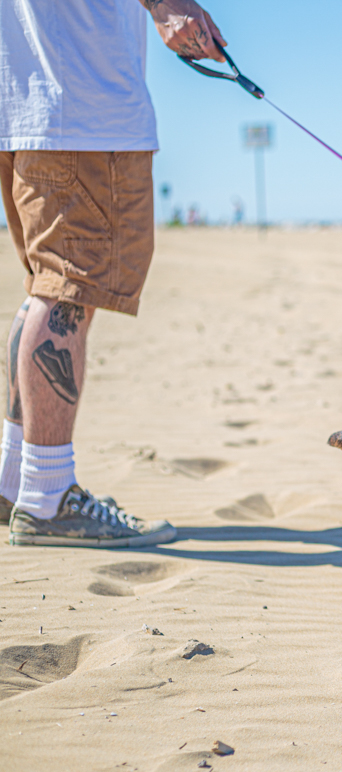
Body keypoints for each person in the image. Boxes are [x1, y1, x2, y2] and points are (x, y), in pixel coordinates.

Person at [0, 0, 227, 546]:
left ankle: (17, 482)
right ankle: (47, 500)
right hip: (81, 105)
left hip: (32, 103)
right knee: (65, 292)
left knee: (49, 290)